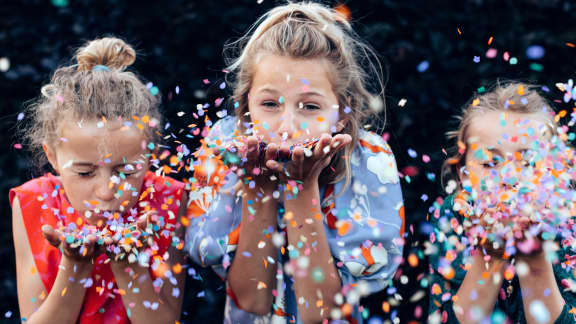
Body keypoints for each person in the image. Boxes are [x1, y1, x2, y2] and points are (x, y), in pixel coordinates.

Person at [186, 2, 404, 323]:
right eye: (270, 103)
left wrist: (302, 189)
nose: (287, 127)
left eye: (309, 106)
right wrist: (257, 188)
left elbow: (320, 313)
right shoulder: (226, 146)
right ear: (247, 107)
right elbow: (252, 300)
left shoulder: (370, 159)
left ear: (343, 112)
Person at [11, 37, 187, 323]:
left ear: (149, 154)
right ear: (53, 157)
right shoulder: (32, 203)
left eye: (127, 172)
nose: (107, 192)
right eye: (84, 172)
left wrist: (128, 265)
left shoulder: (167, 200)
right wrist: (75, 265)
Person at [429, 82, 576, 323]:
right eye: (489, 163)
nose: (510, 177)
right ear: (464, 176)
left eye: (529, 163)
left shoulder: (570, 219)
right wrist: (491, 254)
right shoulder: (453, 215)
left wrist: (534, 257)